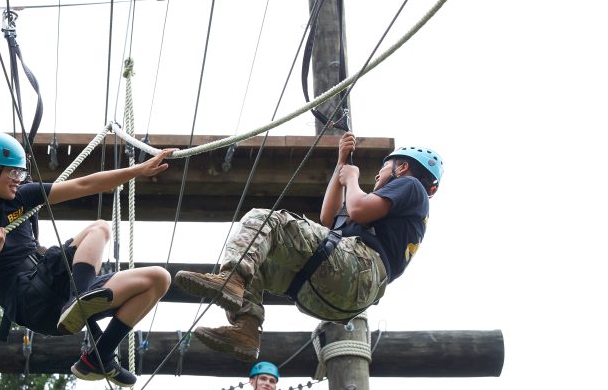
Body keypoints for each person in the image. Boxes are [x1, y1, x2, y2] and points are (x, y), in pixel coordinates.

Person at [174, 132, 442, 360]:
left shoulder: (409, 185)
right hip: (339, 295)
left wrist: (352, 178)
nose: (377, 177)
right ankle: (246, 328)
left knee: (266, 219)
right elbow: (329, 218)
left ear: (402, 167)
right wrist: (340, 166)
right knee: (259, 262)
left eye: (383, 169)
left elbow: (357, 209)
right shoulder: (388, 211)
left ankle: (231, 277)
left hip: (358, 269)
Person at [0, 132, 173, 386]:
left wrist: (138, 170)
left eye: (21, 174)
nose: (19, 180)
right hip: (30, 300)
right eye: (13, 173)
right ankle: (80, 302)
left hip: (58, 294)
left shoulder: (22, 198)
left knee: (158, 279)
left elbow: (84, 185)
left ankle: (98, 356)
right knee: (100, 227)